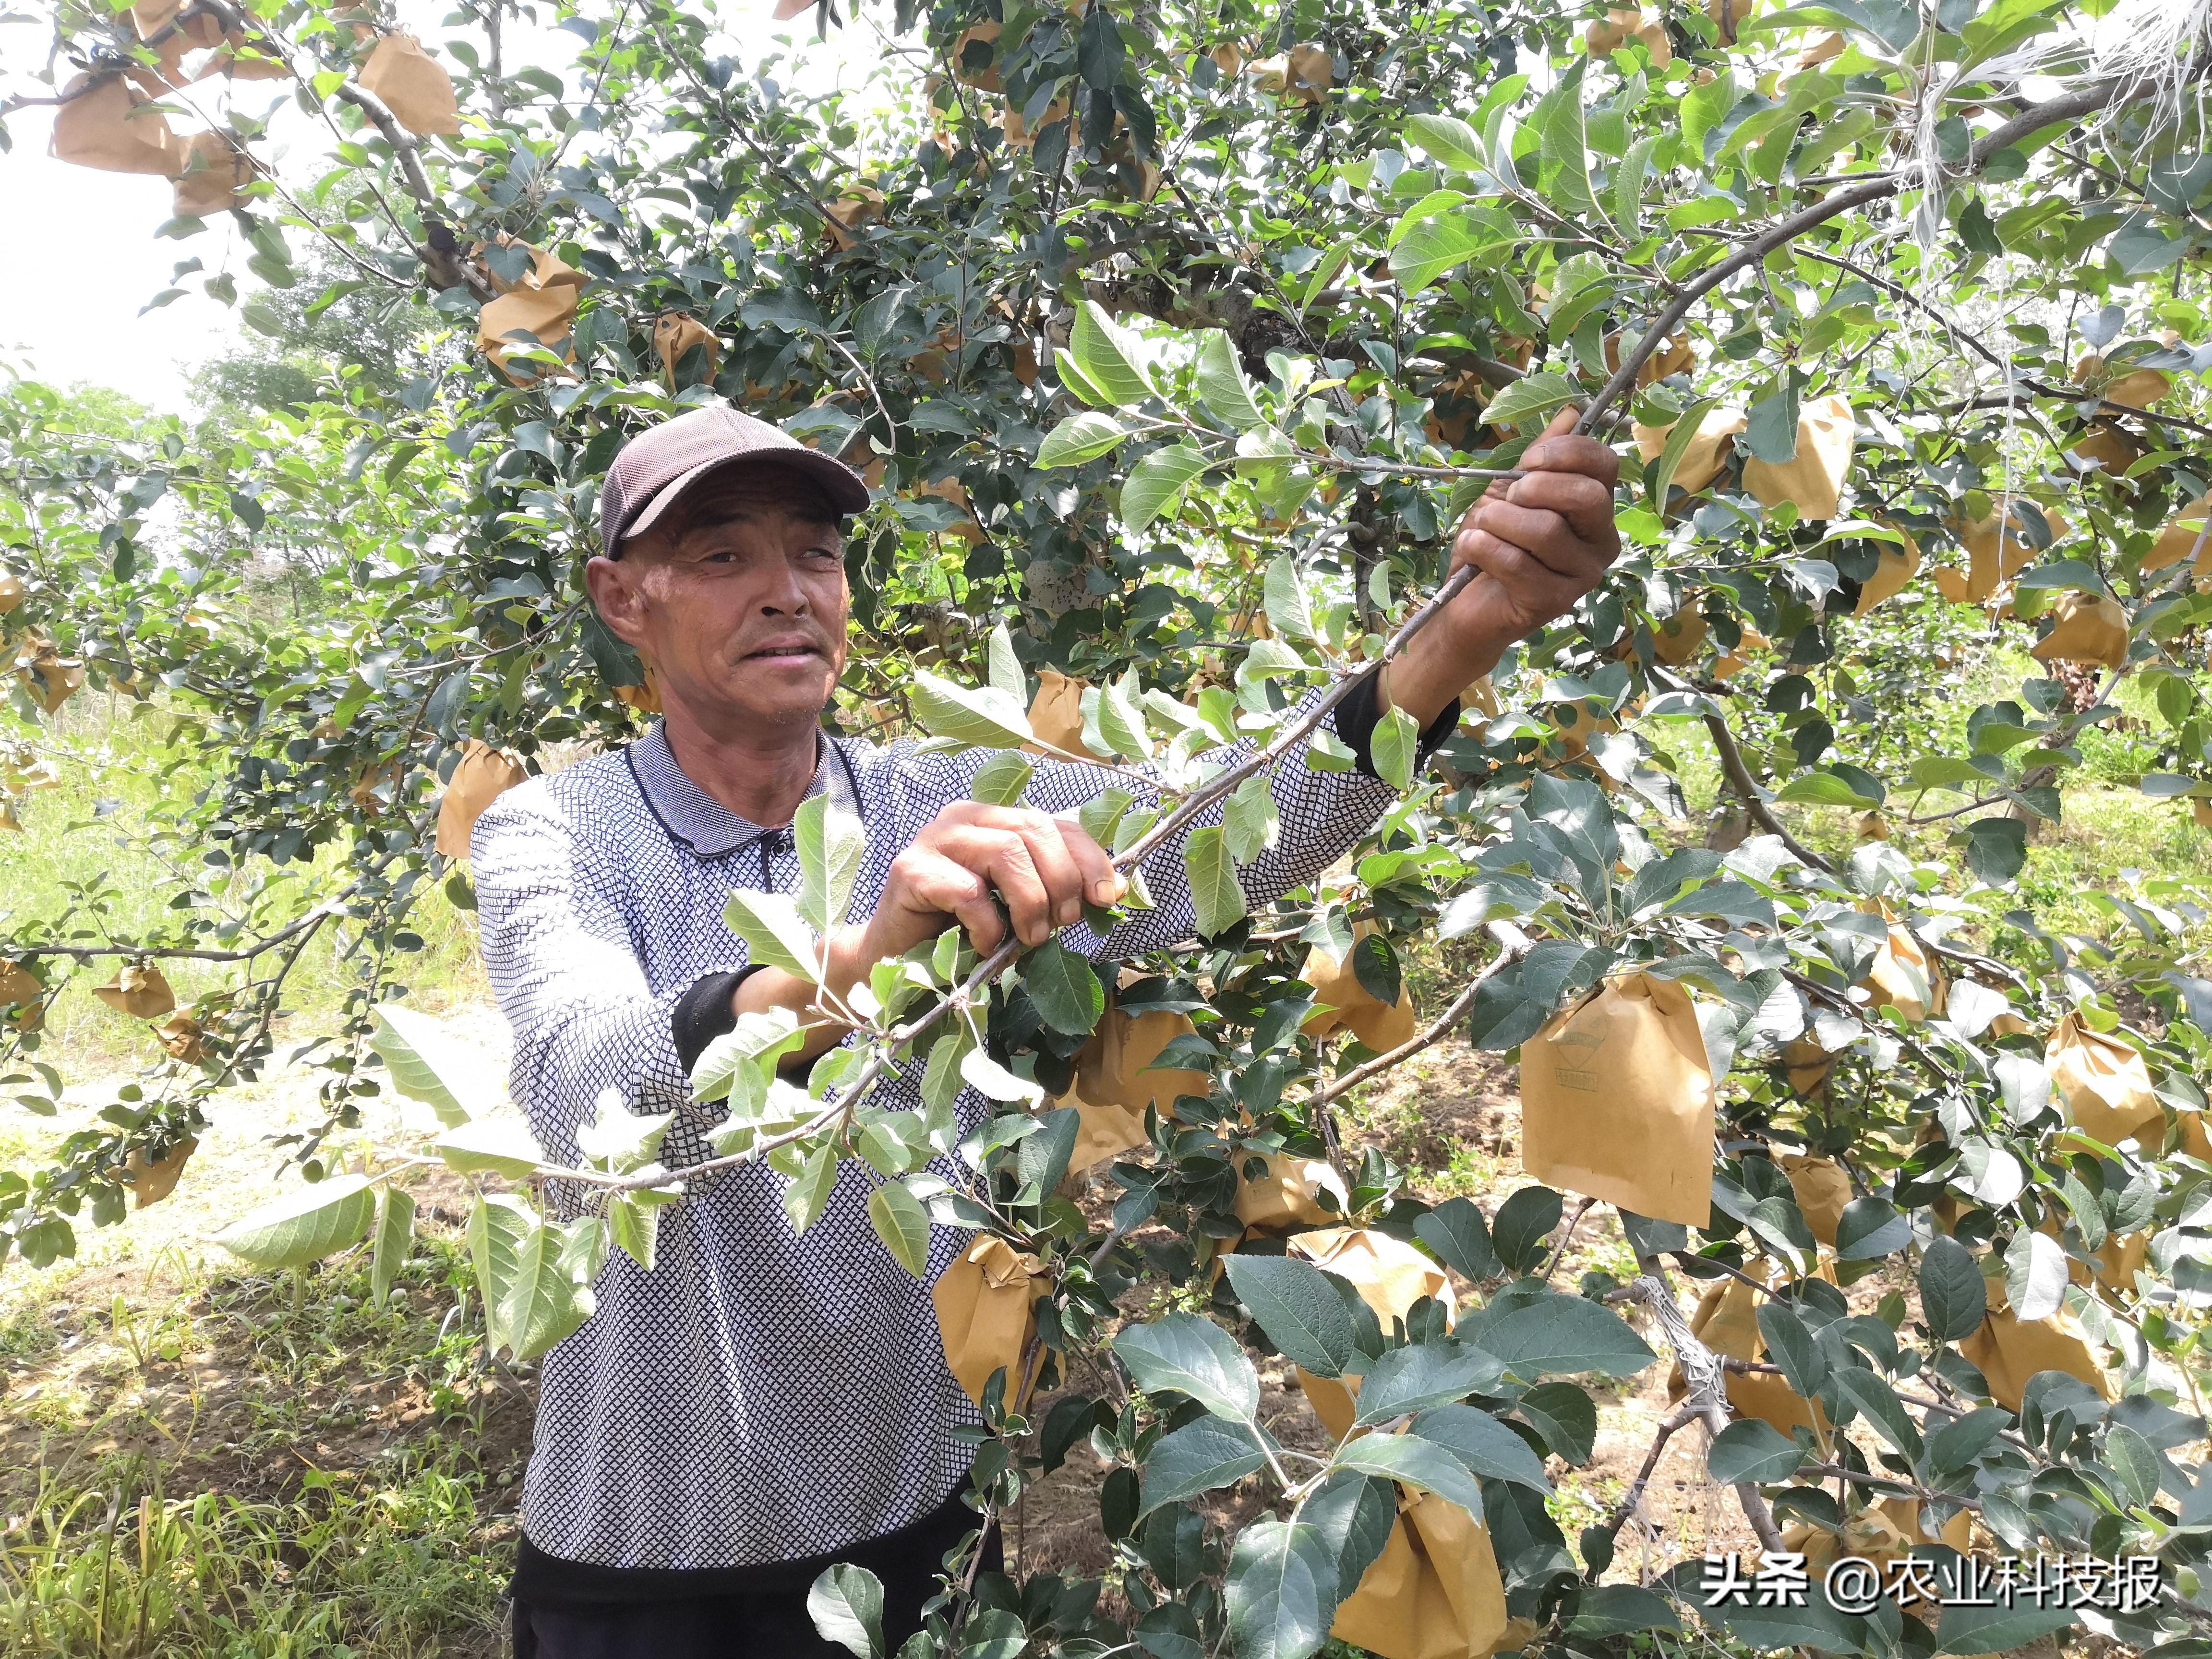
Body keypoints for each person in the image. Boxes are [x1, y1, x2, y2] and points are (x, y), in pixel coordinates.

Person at [473, 399, 1621, 1657]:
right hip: (648, 1552)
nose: (785, 591)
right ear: (621, 599)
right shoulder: (560, 831)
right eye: (719, 556)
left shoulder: (945, 801)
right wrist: (865, 958)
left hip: (914, 1519)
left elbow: (1233, 833)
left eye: (813, 552)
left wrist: (1466, 630)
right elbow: (584, 1083)